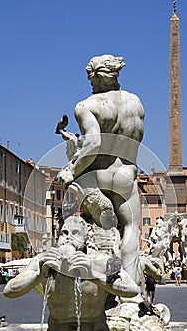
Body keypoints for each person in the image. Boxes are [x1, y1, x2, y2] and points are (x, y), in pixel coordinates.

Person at [1, 216, 156, 331]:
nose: (67, 238)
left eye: (74, 233)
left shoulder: (104, 260)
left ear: (87, 237)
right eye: (64, 233)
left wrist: (94, 273)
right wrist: (37, 274)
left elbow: (131, 289)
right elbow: (9, 290)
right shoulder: (44, 260)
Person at [56, 55, 145, 285]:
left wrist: (72, 170)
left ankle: (94, 292)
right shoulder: (136, 102)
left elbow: (94, 144)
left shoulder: (87, 106)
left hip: (99, 176)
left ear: (93, 77)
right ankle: (131, 296)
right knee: (131, 230)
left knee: (94, 231)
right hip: (127, 175)